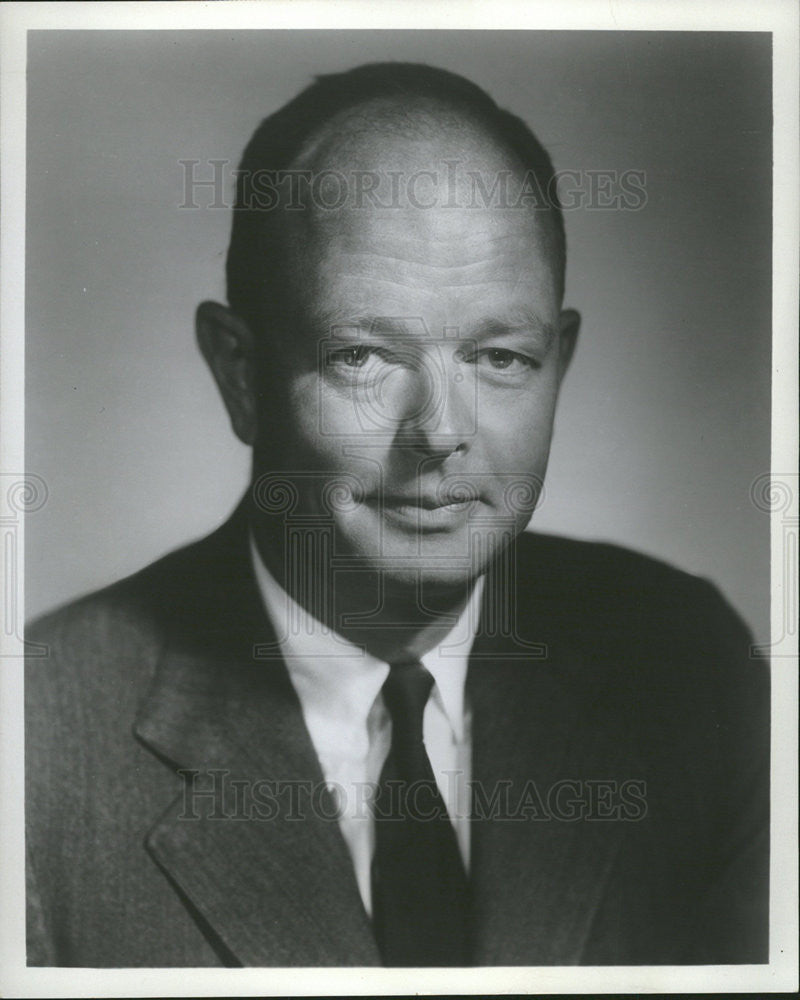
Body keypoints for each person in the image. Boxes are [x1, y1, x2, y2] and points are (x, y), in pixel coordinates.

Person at [25, 62, 769, 968]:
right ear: (239, 374)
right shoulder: (36, 747)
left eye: (501, 357)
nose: (442, 433)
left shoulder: (687, 671)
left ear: (559, 364)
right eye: (364, 356)